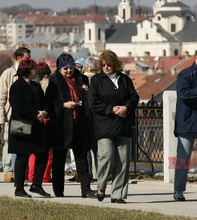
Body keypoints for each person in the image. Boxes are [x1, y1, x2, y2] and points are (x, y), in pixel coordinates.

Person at [88, 50, 139, 203]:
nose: (106, 67)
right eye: (103, 65)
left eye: (109, 64)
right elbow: (93, 101)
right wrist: (111, 109)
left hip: (122, 123)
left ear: (115, 64)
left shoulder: (124, 79)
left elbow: (134, 97)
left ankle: (118, 195)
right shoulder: (97, 80)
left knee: (123, 161)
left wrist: (125, 108)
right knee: (107, 156)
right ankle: (101, 185)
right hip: (105, 124)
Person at [46, 53, 96, 198]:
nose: (69, 71)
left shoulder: (82, 79)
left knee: (82, 158)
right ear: (59, 68)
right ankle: (58, 190)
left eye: (71, 68)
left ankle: (86, 188)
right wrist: (64, 105)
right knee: (59, 160)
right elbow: (49, 104)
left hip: (80, 123)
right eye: (65, 68)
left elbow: (90, 100)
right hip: (61, 126)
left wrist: (87, 92)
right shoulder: (54, 80)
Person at [173, 48, 197, 201]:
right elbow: (184, 94)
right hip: (187, 122)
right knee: (183, 159)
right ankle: (178, 190)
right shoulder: (185, 74)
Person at [8, 58, 50, 198]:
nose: (36, 71)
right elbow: (18, 106)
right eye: (33, 69)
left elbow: (44, 102)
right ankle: (19, 188)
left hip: (36, 125)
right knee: (22, 157)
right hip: (21, 125)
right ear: (27, 71)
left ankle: (36, 185)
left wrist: (44, 111)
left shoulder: (36, 86)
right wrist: (35, 113)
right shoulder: (17, 86)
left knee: (42, 154)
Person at [0, 47, 31, 182]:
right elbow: (1, 98)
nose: (29, 61)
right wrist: (1, 119)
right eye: (27, 58)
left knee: (23, 144)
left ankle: (21, 172)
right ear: (19, 58)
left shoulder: (31, 73)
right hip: (10, 116)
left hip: (25, 117)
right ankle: (8, 171)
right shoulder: (8, 74)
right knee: (8, 143)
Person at [27, 63, 53, 184]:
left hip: (36, 118)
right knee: (47, 151)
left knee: (33, 150)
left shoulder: (35, 85)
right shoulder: (51, 84)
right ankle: (45, 176)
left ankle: (31, 174)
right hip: (47, 118)